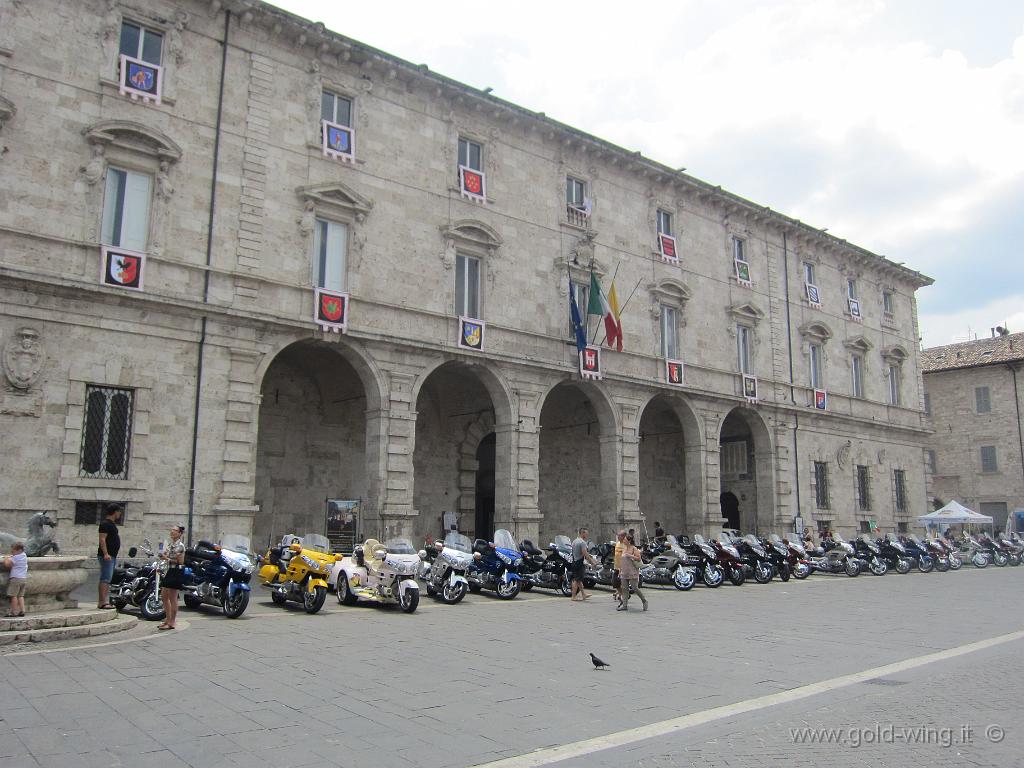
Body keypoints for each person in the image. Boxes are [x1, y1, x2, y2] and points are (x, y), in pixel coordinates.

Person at [158, 525, 186, 630]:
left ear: (179, 534)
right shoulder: (171, 545)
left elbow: (180, 562)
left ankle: (172, 622)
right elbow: (167, 556)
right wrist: (163, 555)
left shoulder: (180, 546)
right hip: (169, 571)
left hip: (176, 572)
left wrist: (167, 558)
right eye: (172, 530)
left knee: (173, 597)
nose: (172, 531)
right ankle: (167, 619)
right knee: (164, 595)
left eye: (175, 530)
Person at [97, 503, 123, 609]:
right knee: (105, 578)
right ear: (115, 512)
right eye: (119, 512)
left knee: (108, 578)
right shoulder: (105, 524)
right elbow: (102, 539)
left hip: (112, 555)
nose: (120, 514)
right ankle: (102, 602)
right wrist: (106, 553)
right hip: (107, 556)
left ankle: (104, 601)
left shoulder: (111, 524)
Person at [617, 534, 648, 612]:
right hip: (624, 571)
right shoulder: (624, 548)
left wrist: (630, 555)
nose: (623, 541)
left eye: (625, 540)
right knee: (624, 589)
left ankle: (644, 600)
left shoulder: (634, 549)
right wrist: (620, 570)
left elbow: (638, 558)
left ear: (629, 541)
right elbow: (622, 560)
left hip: (632, 571)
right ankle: (625, 605)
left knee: (635, 587)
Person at [570, 528, 598, 601]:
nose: (587, 535)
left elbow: (576, 552)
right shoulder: (582, 542)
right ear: (582, 533)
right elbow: (584, 553)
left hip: (574, 561)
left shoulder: (574, 541)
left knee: (579, 579)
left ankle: (583, 594)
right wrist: (592, 562)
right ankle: (573, 596)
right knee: (576, 580)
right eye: (586, 533)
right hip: (579, 562)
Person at [3, 543, 28, 617]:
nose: (12, 553)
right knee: (20, 596)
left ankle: (14, 612)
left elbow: (7, 564)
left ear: (19, 550)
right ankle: (22, 610)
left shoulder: (16, 558)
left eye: (13, 551)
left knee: (13, 595)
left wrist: (6, 559)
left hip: (16, 578)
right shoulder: (24, 555)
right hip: (23, 578)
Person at [612, 530, 626, 605]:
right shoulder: (617, 543)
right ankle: (623, 595)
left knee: (622, 584)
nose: (618, 536)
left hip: (623, 568)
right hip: (616, 567)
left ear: (623, 536)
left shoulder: (625, 545)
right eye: (618, 535)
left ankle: (624, 598)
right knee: (615, 583)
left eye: (619, 535)